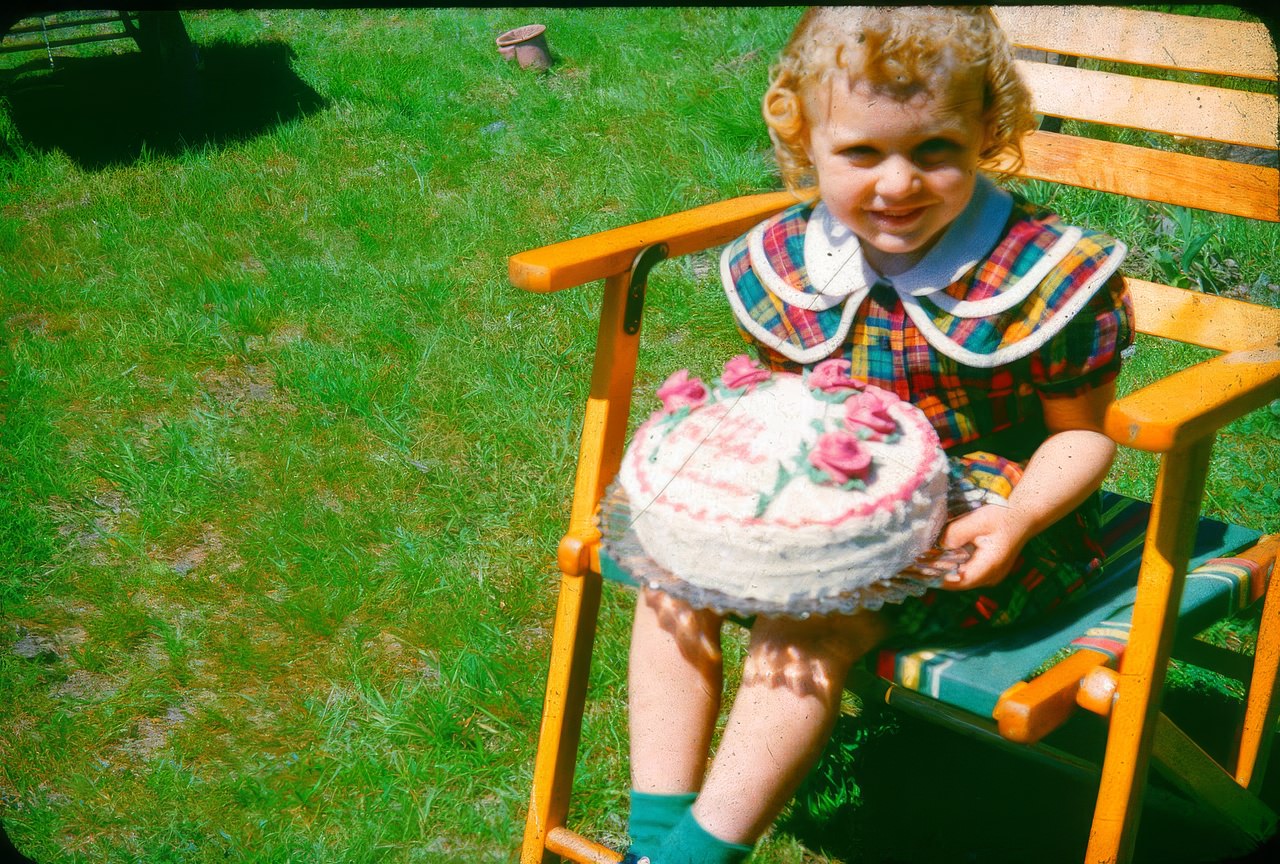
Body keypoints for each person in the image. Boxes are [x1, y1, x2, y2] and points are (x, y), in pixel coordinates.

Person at [620, 7, 1134, 863]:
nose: (897, 185)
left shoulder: (1042, 276)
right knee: (673, 571)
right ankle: (654, 837)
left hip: (985, 517)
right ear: (806, 140)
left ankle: (690, 859)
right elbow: (793, 403)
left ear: (986, 130)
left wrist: (1016, 519)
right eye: (861, 153)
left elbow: (1084, 438)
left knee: (808, 627)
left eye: (935, 149)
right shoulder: (795, 261)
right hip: (831, 490)